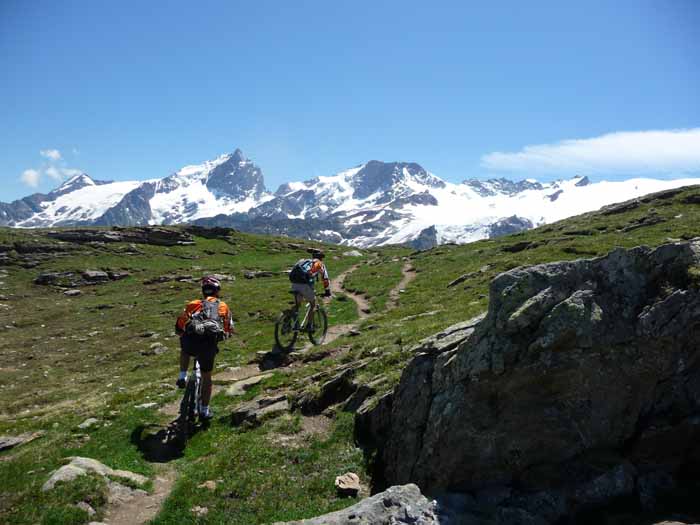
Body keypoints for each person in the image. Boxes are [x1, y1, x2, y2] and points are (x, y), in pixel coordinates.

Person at [175, 276, 233, 420]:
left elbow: (180, 323)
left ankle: (182, 376)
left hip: (191, 343)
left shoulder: (193, 304)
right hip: (208, 345)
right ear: (217, 291)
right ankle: (204, 411)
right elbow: (228, 328)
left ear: (203, 292)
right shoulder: (223, 306)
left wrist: (181, 332)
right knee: (207, 376)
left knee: (184, 347)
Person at [290, 249, 331, 330]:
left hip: (294, 283)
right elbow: (325, 279)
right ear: (321, 258)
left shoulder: (303, 261)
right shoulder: (319, 264)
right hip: (305, 285)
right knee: (313, 304)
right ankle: (309, 326)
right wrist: (327, 291)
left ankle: (291, 321)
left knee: (298, 304)